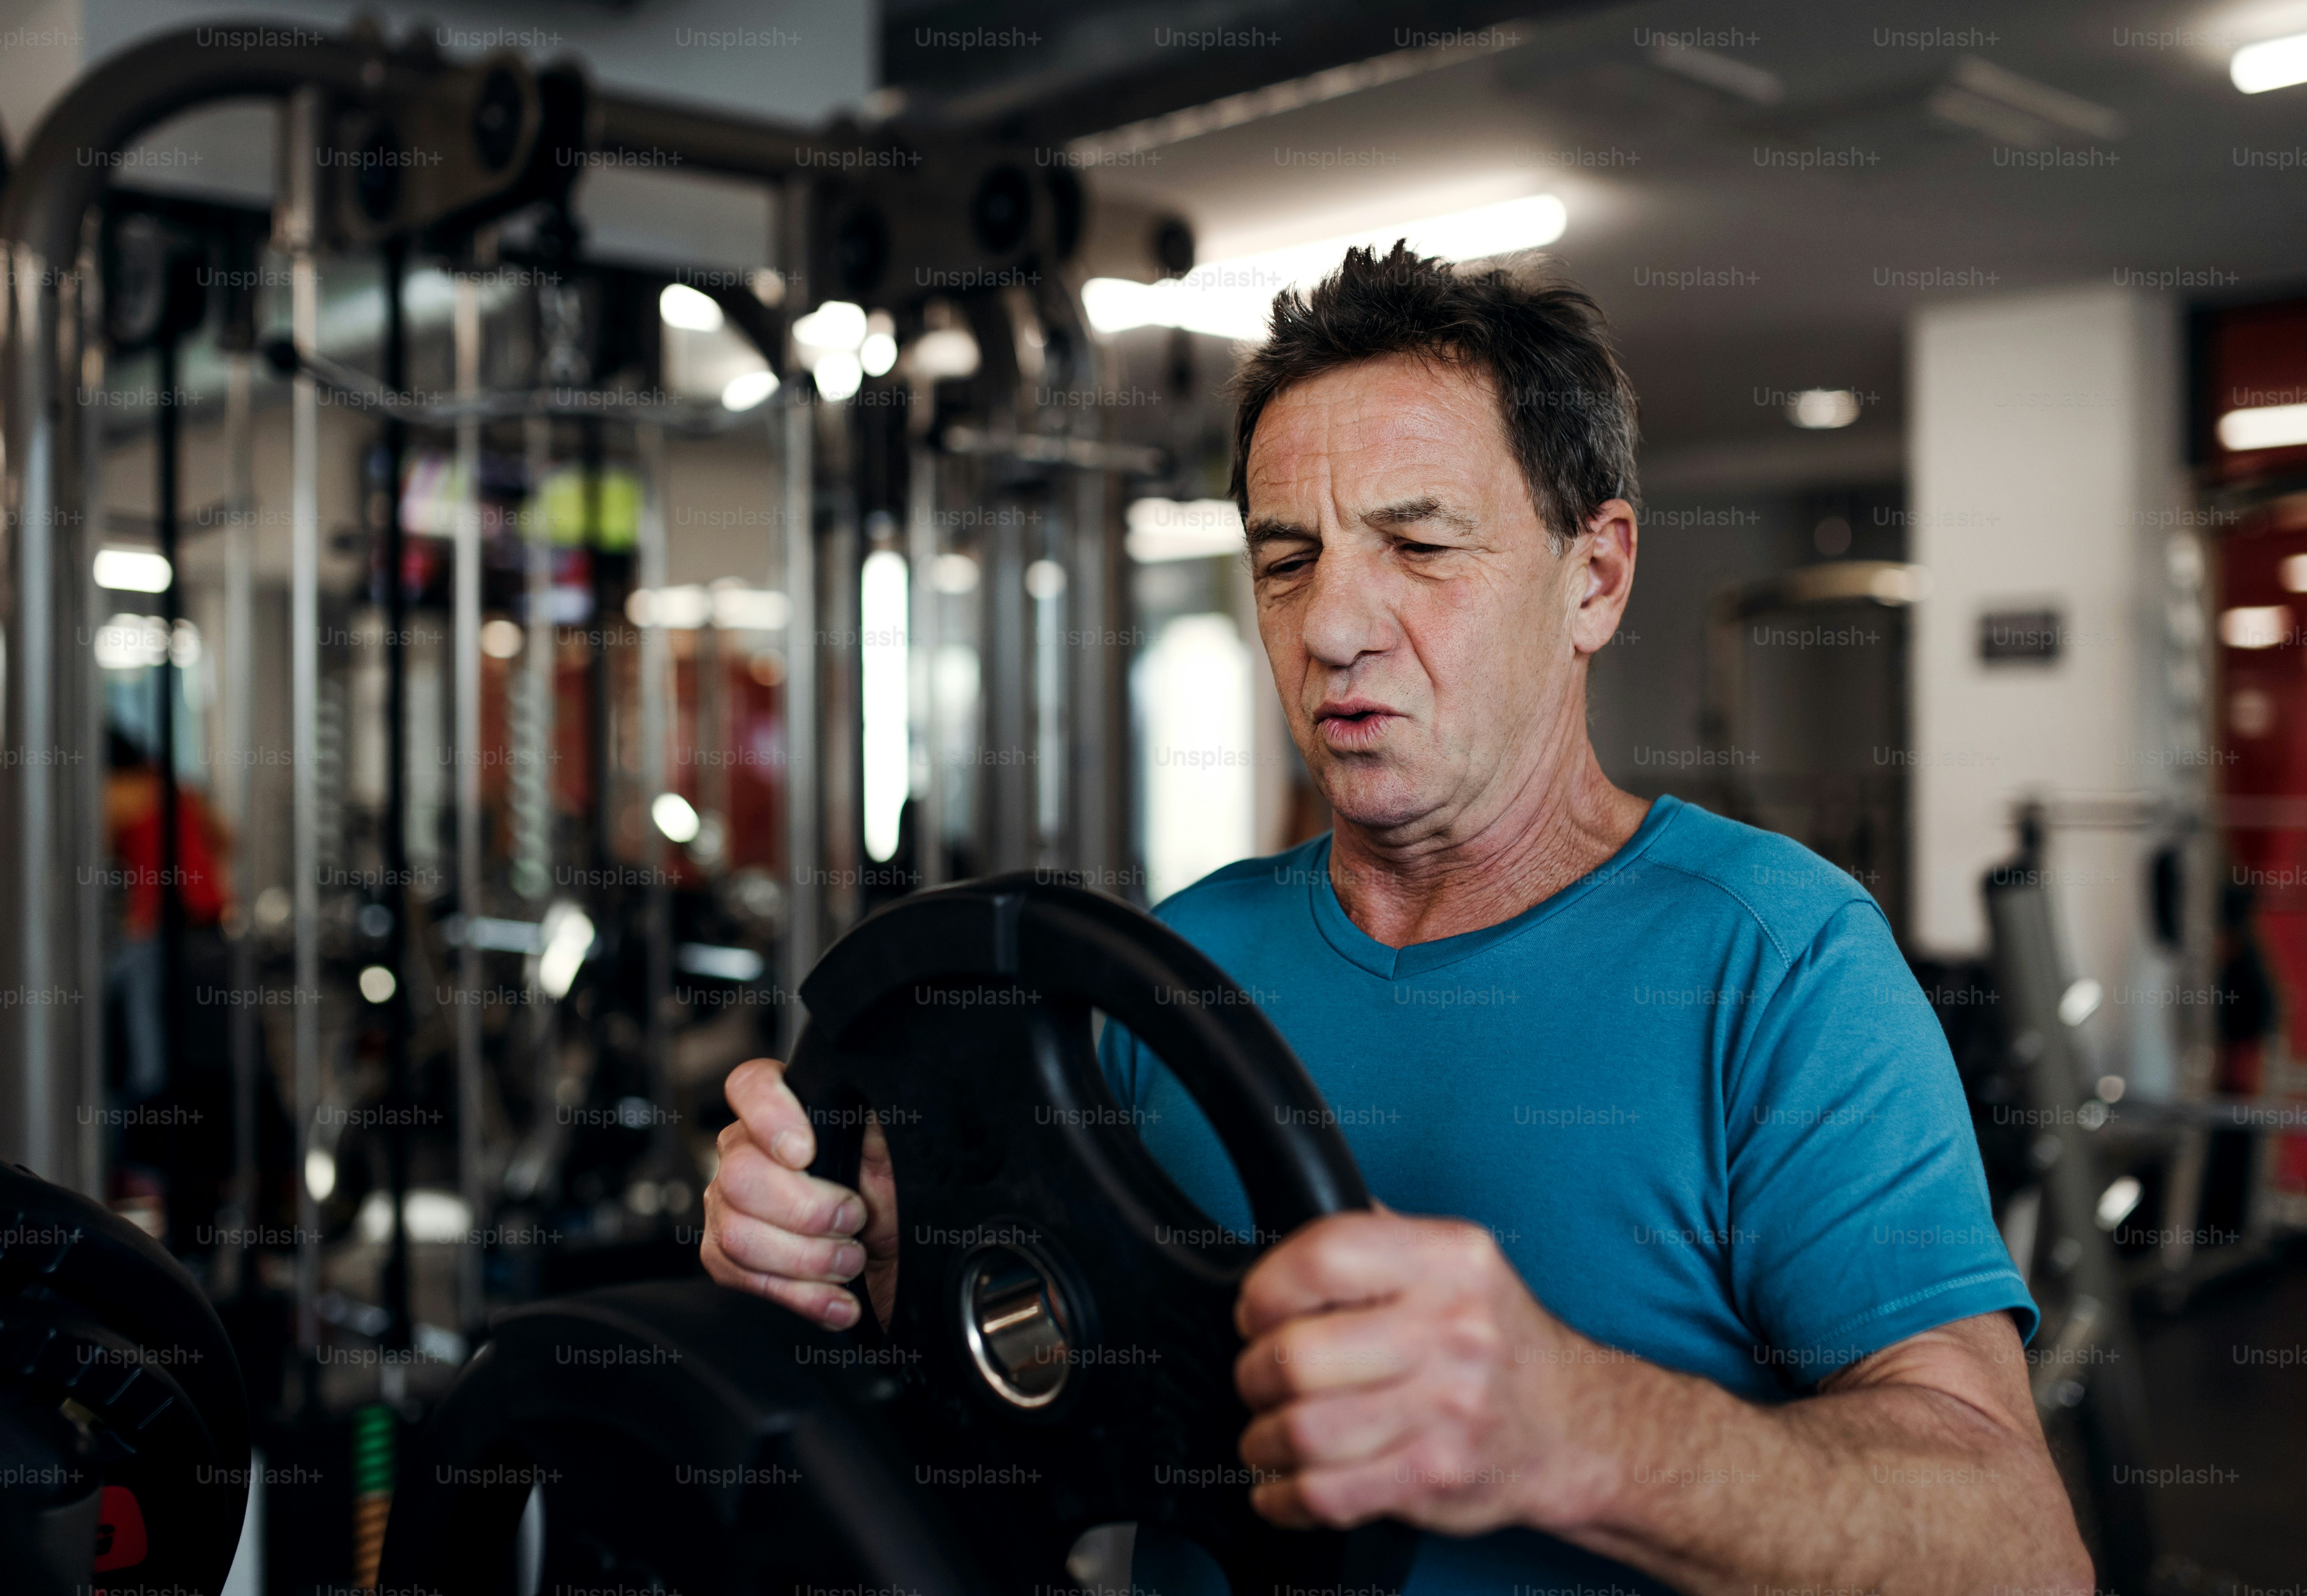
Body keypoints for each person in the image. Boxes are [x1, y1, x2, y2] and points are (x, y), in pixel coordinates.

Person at [699, 245, 2090, 1594]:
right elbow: (1042, 1387)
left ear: (1594, 576)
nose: (1331, 627)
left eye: (1418, 545)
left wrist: (1578, 1431)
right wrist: (874, 1256)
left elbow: (2015, 1550)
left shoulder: (1777, 961)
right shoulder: (1168, 971)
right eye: (1286, 558)